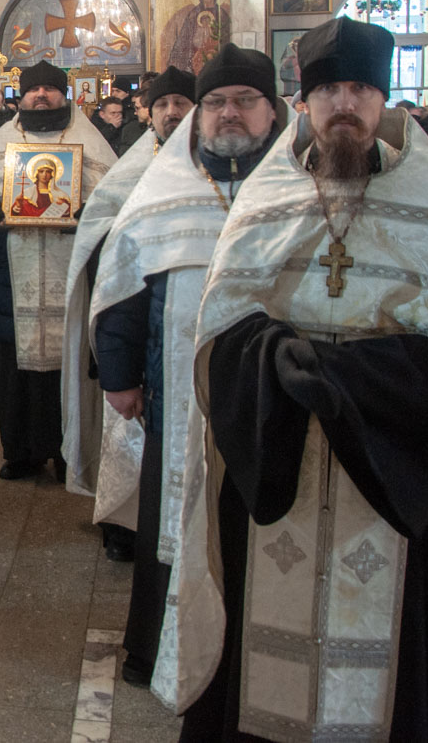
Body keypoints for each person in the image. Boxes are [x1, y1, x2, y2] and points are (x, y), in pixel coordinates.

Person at [166, 17, 428, 742]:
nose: (344, 104)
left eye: (360, 88)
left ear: (383, 101)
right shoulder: (266, 202)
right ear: (303, 102)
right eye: (328, 89)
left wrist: (348, 375)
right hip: (279, 453)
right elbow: (219, 333)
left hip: (395, 467)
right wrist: (273, 357)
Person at [89, 49, 284, 692]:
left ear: (273, 111)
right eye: (216, 102)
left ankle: (243, 655)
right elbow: (122, 289)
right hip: (175, 395)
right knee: (170, 518)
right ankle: (155, 647)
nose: (229, 113)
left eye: (245, 101)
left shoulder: (298, 186)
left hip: (273, 399)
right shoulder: (166, 187)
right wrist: (119, 377)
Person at [0, 62, 115, 479]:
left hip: (72, 276)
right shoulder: (3, 140)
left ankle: (69, 452)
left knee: (69, 364)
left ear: (63, 94)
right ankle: (20, 453)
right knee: (16, 367)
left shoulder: (90, 141)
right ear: (22, 96)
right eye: (34, 89)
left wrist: (87, 213)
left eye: (50, 89)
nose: (41, 95)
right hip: (14, 278)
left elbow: (113, 201)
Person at [60, 66, 195, 565]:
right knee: (127, 432)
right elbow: (102, 236)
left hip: (191, 330)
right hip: (137, 326)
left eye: (181, 103)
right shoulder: (133, 168)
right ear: (149, 113)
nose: (171, 112)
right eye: (162, 105)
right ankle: (124, 523)